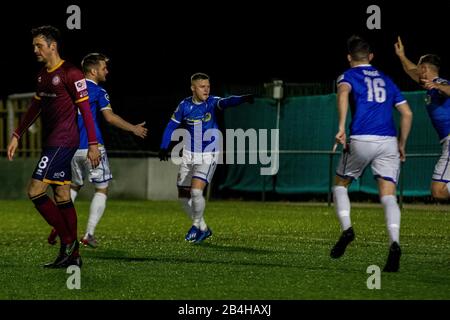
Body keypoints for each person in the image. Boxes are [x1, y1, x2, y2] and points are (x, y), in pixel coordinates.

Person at [6, 25, 101, 268]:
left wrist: (92, 143)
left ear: (52, 46)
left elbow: (86, 113)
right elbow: (35, 107)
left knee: (35, 190)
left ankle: (69, 240)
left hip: (63, 141)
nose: (35, 50)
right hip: (52, 142)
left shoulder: (71, 73)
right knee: (61, 195)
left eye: (39, 45)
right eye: (34, 46)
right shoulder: (43, 75)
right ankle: (72, 256)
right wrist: (17, 133)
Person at [47, 53, 148, 248]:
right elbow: (109, 118)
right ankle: (89, 234)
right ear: (93, 71)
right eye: (104, 68)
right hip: (92, 147)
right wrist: (133, 128)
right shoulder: (98, 91)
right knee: (102, 188)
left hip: (69, 148)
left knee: (74, 186)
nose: (106, 71)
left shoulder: (69, 89)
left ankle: (59, 225)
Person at [330, 35, 413, 272]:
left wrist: (341, 127)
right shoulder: (387, 79)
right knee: (388, 195)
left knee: (340, 185)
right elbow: (407, 113)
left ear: (349, 58)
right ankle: (395, 243)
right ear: (371, 57)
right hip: (388, 141)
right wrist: (402, 144)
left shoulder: (348, 76)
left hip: (361, 138)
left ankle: (347, 229)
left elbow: (343, 93)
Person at [158, 72, 254, 243]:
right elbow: (171, 125)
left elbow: (227, 101)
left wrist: (243, 98)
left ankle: (196, 226)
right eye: (202, 87)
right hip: (188, 154)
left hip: (208, 153)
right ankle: (203, 227)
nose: (207, 90)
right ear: (193, 88)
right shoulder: (184, 105)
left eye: (208, 86)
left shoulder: (211, 103)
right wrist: (164, 146)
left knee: (196, 191)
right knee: (182, 196)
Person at [394, 36, 450, 200]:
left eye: (419, 68)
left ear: (424, 68)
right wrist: (402, 56)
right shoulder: (428, 84)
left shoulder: (440, 83)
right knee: (438, 190)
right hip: (446, 140)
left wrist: (439, 86)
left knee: (438, 190)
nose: (416, 70)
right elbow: (410, 71)